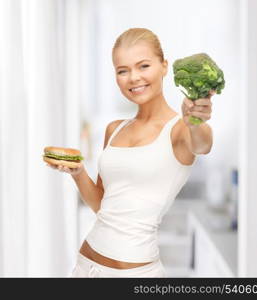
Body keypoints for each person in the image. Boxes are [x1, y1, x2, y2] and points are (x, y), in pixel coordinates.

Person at [46, 28, 214, 277]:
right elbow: (103, 206)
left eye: (143, 66)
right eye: (122, 70)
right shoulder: (114, 130)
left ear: (164, 66)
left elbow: (203, 145)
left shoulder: (179, 130)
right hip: (85, 267)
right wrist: (78, 172)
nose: (133, 77)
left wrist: (195, 122)